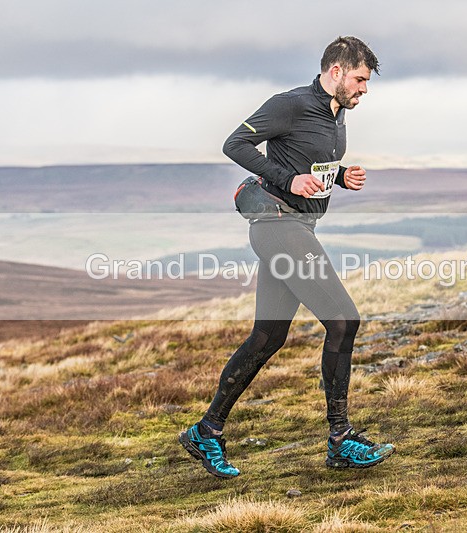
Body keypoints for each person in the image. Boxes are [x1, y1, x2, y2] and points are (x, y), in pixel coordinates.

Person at [179, 36, 394, 478]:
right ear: (336, 71)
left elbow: (308, 166)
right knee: (343, 320)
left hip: (296, 228)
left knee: (268, 337)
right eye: (359, 79)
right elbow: (235, 144)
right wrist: (288, 181)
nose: (364, 90)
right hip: (279, 227)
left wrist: (339, 176)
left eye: (366, 82)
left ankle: (206, 430)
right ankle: (340, 440)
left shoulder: (337, 118)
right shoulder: (290, 104)